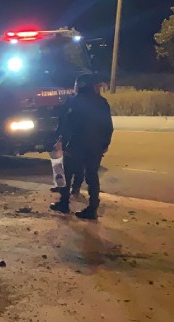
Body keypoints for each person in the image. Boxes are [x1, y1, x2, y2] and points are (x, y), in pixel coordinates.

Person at [50, 74, 114, 220]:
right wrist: (105, 144)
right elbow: (108, 126)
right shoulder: (102, 102)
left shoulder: (73, 102)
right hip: (96, 146)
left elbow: (66, 124)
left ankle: (64, 203)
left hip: (76, 145)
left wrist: (61, 140)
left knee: (66, 174)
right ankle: (92, 209)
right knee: (92, 176)